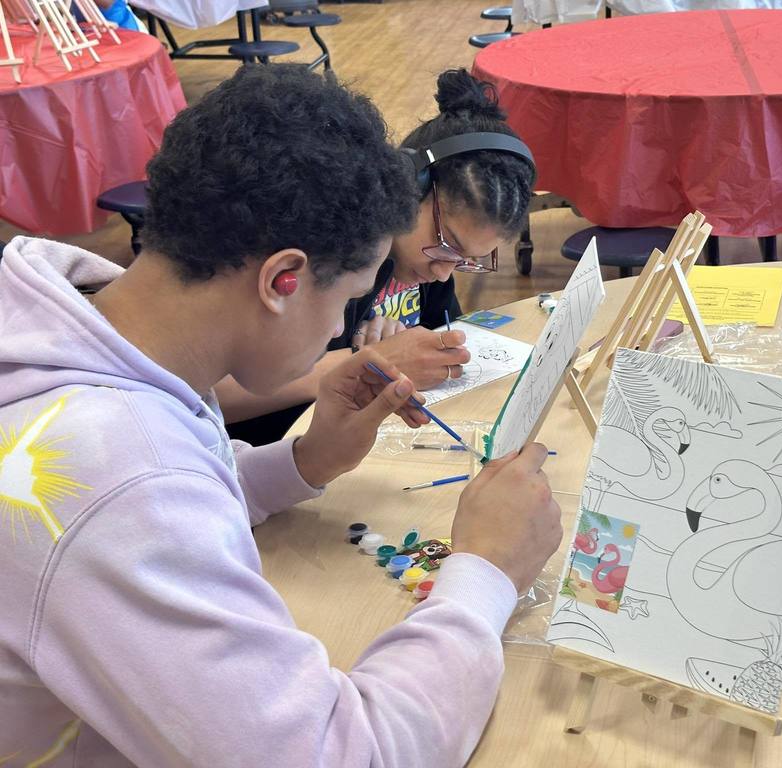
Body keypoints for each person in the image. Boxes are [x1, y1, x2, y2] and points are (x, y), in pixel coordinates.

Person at [0, 65, 561, 767]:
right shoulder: (115, 481)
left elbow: (177, 474)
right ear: (282, 280)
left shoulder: (80, 324)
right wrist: (485, 572)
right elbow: (336, 753)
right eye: (346, 299)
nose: (339, 331)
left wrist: (302, 463)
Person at [221, 68, 537, 446]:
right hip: (262, 454)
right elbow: (215, 393)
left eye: (466, 259)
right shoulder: (332, 256)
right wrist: (362, 362)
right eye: (447, 242)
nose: (442, 273)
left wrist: (397, 353)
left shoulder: (431, 266)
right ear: (408, 185)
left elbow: (438, 343)